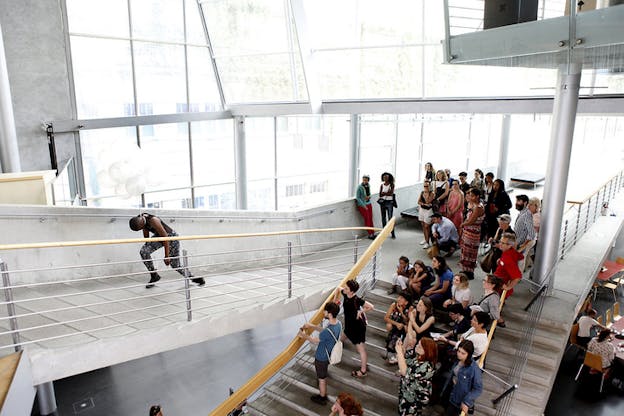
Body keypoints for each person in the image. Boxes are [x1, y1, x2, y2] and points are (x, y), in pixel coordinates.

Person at [129, 213, 205, 288]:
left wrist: (167, 256)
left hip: (171, 238)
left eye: (141, 228)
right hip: (159, 236)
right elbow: (146, 234)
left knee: (174, 264)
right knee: (144, 252)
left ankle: (192, 277)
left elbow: (166, 237)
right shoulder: (141, 219)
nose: (141, 229)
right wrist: (147, 245)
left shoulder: (153, 220)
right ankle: (154, 275)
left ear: (141, 223)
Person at [298, 302, 342, 405]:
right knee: (322, 376)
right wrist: (312, 326)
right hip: (329, 354)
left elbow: (314, 340)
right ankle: (321, 386)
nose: (323, 312)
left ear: (329, 313)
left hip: (321, 357)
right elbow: (325, 331)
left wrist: (303, 335)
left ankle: (322, 397)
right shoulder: (338, 324)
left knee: (322, 378)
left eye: (325, 311)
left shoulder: (328, 331)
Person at [334, 280, 374, 378]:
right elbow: (338, 289)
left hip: (357, 327)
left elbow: (371, 306)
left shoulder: (357, 299)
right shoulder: (345, 293)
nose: (344, 289)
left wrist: (361, 312)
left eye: (346, 288)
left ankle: (363, 371)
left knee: (361, 350)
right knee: (340, 339)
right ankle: (335, 351)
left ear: (351, 292)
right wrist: (335, 301)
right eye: (345, 287)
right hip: (348, 326)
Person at [396, 337, 438, 416]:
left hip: (413, 400)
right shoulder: (417, 356)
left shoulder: (426, 367)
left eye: (420, 346)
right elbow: (405, 360)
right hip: (406, 392)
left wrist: (399, 352)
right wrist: (401, 350)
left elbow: (404, 372)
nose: (416, 346)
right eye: (418, 343)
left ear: (426, 351)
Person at [443, 340, 483, 416]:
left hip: (459, 400)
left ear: (469, 354)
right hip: (451, 391)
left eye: (463, 353)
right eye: (459, 351)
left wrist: (466, 401)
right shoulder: (456, 359)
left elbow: (478, 389)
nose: (459, 354)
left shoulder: (473, 369)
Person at [459, 188, 485, 280]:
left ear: (477, 196)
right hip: (468, 231)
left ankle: (470, 272)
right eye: (470, 195)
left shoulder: (478, 207)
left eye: (472, 196)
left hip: (473, 232)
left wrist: (462, 224)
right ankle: (465, 270)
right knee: (465, 250)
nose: (470, 197)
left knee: (471, 251)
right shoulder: (473, 205)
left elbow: (471, 221)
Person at [493, 232, 523, 299]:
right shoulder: (511, 251)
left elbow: (517, 277)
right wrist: (501, 260)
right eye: (500, 241)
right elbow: (521, 256)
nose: (500, 244)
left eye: (503, 243)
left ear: (509, 246)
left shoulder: (507, 259)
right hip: (499, 281)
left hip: (499, 286)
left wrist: (508, 287)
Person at [384, 291, 411, 364]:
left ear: (406, 302)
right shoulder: (394, 305)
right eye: (399, 297)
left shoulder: (410, 308)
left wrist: (401, 312)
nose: (398, 299)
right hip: (395, 324)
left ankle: (397, 347)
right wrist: (396, 324)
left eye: (401, 298)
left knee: (404, 328)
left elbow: (408, 322)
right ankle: (391, 344)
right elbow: (386, 318)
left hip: (403, 327)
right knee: (389, 325)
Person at [514, 194, 536, 271]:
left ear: (525, 203)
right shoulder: (522, 213)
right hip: (518, 242)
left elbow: (532, 234)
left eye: (519, 201)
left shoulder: (527, 215)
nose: (516, 203)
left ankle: (517, 278)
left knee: (520, 261)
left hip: (522, 243)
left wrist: (524, 245)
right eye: (516, 201)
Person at [355, 175, 375, 239]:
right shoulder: (359, 187)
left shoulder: (368, 185)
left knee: (370, 218)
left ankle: (373, 233)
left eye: (366, 180)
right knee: (367, 219)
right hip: (363, 205)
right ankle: (370, 234)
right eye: (363, 179)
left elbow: (369, 193)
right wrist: (364, 206)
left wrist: (369, 197)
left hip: (369, 204)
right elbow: (357, 198)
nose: (364, 181)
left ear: (368, 180)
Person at [379, 172, 396, 239]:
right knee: (383, 218)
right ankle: (384, 233)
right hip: (382, 202)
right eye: (384, 177)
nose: (385, 178)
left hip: (389, 202)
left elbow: (391, 193)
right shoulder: (382, 185)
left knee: (390, 218)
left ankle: (392, 233)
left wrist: (384, 193)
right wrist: (386, 193)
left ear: (389, 178)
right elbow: (380, 195)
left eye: (386, 177)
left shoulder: (392, 184)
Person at [418, 181, 436, 249]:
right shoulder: (422, 192)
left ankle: (428, 242)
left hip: (428, 211)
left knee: (427, 226)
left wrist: (426, 194)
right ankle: (425, 239)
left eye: (427, 186)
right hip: (422, 210)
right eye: (424, 186)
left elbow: (428, 201)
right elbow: (418, 201)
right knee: (423, 225)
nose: (425, 187)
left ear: (430, 186)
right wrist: (423, 204)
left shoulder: (432, 193)